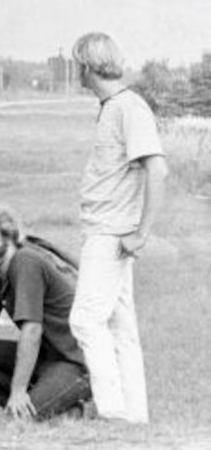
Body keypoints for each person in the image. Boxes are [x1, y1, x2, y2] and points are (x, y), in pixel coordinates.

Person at [69, 32, 168, 423]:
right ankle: (134, 418)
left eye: (78, 63)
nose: (76, 70)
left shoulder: (129, 107)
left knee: (85, 320)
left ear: (90, 65)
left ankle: (111, 413)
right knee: (119, 326)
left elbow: (157, 169)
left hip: (110, 234)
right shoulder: (112, 106)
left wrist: (141, 234)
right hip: (104, 230)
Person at [0, 202, 91, 420]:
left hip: (75, 361)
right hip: (48, 358)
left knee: (21, 420)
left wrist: (18, 390)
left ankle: (53, 401)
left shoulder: (25, 261)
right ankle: (57, 406)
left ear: (7, 238)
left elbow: (32, 331)